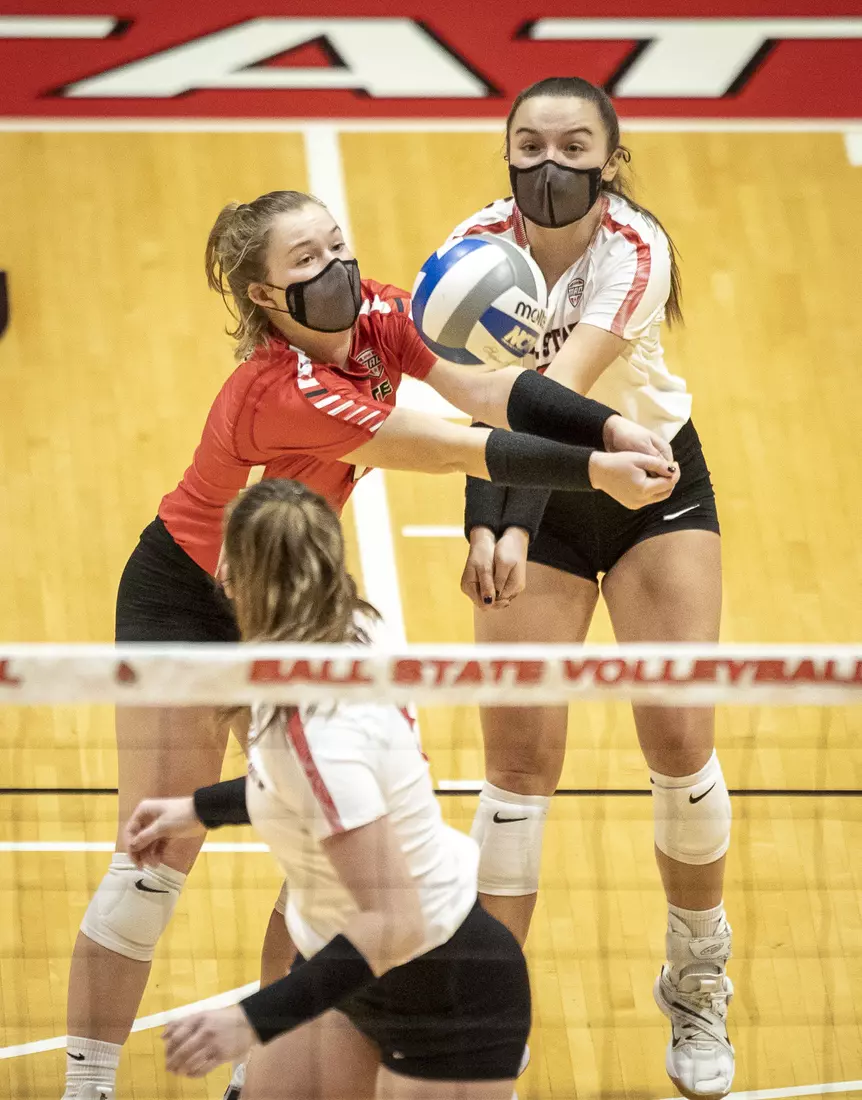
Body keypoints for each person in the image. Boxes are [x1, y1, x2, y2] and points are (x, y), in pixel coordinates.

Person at [61, 187, 678, 1100]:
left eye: (335, 244)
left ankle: (260, 1062)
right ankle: (88, 1083)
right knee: (152, 863)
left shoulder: (380, 314)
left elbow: (484, 386)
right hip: (186, 603)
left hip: (289, 603)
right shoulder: (282, 389)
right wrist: (594, 472)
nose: (334, 268)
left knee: (323, 854)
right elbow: (444, 443)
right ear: (265, 298)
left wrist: (611, 422)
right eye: (304, 261)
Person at [454, 78, 732, 1100]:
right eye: (528, 143)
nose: (548, 162)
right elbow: (474, 400)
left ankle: (696, 974)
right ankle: (487, 1007)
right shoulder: (474, 250)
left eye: (574, 145)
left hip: (648, 482)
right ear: (506, 153)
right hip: (535, 487)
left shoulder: (635, 249)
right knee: (518, 757)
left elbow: (554, 393)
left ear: (609, 161)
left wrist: (507, 517)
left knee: (677, 737)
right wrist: (490, 521)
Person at [123, 478, 532, 1100]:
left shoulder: (313, 731)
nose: (219, 562)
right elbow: (291, 785)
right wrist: (193, 809)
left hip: (444, 992)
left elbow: (395, 920)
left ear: (245, 578)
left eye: (230, 549)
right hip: (345, 971)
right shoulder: (345, 637)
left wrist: (249, 1020)